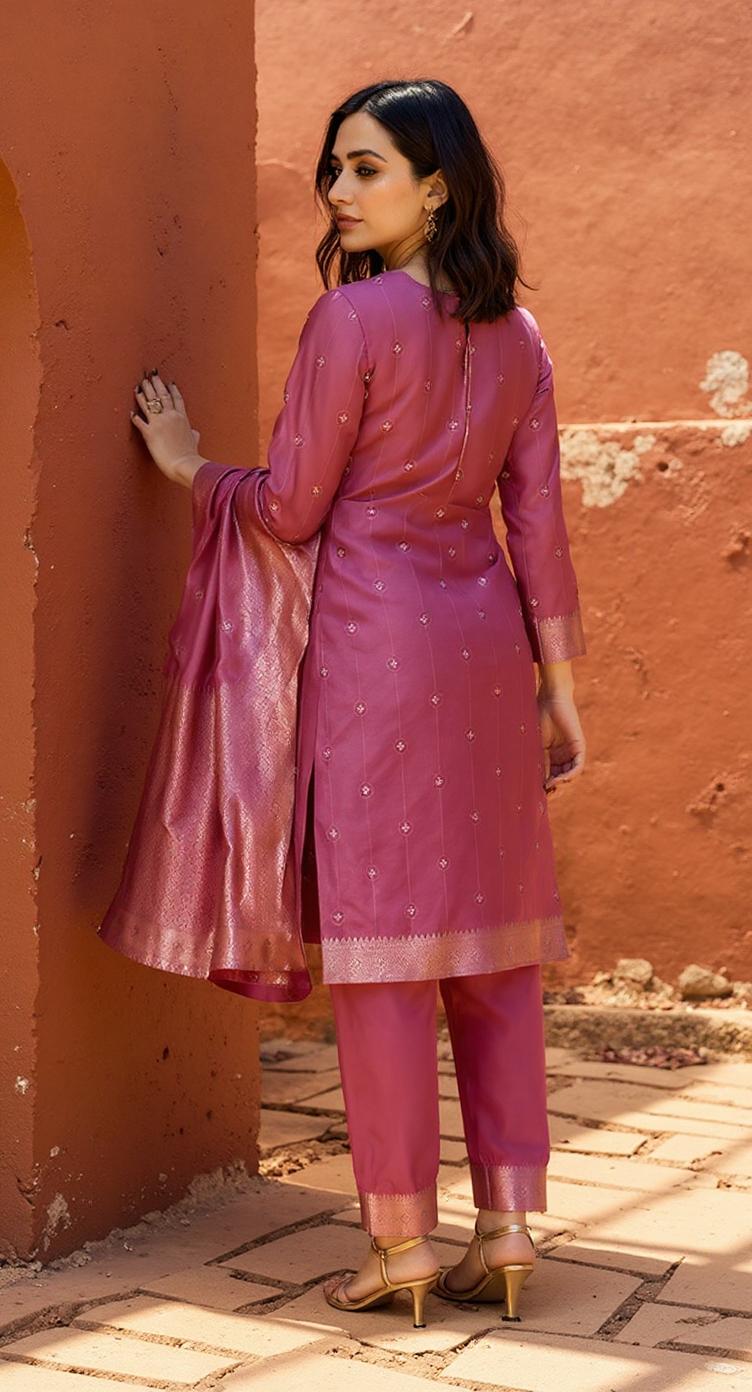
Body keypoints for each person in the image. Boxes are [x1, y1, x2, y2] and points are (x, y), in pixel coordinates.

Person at [118, 79, 587, 1328]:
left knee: (384, 954)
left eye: (365, 167)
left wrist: (192, 469)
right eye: (333, 167)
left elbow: (289, 510)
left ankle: (398, 1243)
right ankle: (507, 1225)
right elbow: (537, 524)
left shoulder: (352, 318)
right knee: (491, 947)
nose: (336, 190)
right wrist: (558, 687)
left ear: (436, 187)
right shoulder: (520, 339)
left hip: (376, 653)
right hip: (484, 651)